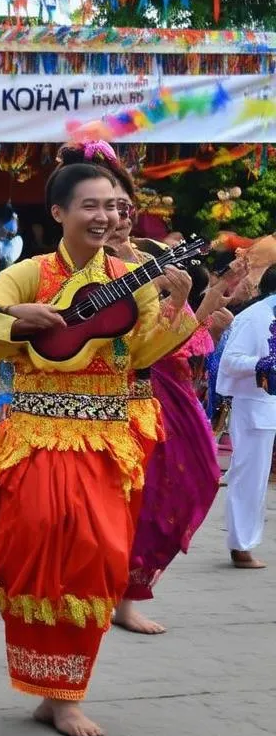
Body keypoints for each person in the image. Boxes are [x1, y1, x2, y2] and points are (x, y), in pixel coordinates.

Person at [0, 156, 196, 736]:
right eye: (90, 205)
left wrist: (176, 308)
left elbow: (141, 355)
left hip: (103, 443)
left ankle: (67, 693)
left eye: (113, 206)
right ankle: (47, 688)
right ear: (60, 211)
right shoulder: (30, 273)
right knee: (40, 558)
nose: (104, 215)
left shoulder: (132, 279)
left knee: (97, 559)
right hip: (38, 440)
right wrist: (20, 320)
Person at [104, 167, 230, 633]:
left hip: (158, 390)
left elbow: (172, 335)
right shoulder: (73, 267)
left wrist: (210, 297)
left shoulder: (156, 258)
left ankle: (128, 593)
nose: (114, 217)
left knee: (177, 488)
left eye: (121, 206)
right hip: (101, 397)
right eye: (100, 204)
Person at [217, 264, 276, 570]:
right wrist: (268, 364)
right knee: (249, 479)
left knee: (257, 478)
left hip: (267, 407)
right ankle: (241, 546)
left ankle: (246, 542)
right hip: (254, 406)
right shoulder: (256, 317)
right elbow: (231, 361)